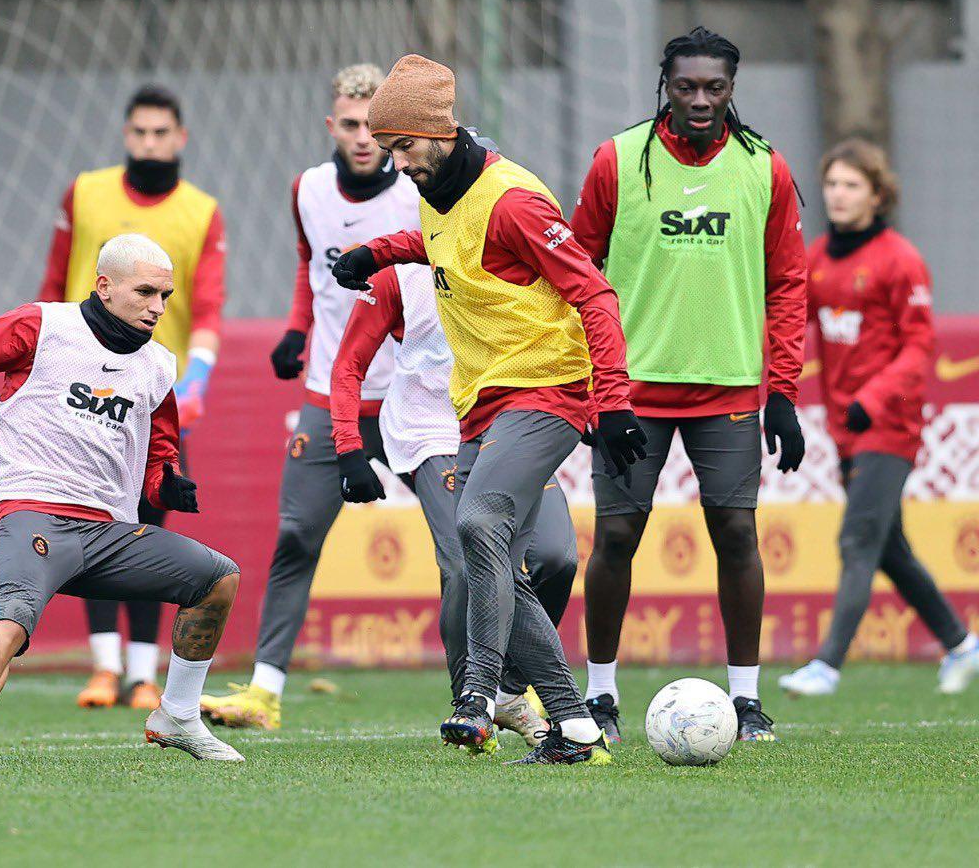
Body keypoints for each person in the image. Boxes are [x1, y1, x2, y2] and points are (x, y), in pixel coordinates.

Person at [331, 54, 646, 766]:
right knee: (499, 557)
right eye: (388, 151)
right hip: (480, 401)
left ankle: (477, 695)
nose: (397, 163)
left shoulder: (515, 199)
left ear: (439, 132)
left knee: (478, 526)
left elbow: (594, 294)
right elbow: (447, 245)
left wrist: (615, 403)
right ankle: (577, 729)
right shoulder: (437, 190)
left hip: (545, 390)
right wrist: (379, 253)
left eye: (404, 147)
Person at [0, 233, 243, 765]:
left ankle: (178, 717)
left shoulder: (160, 364)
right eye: (145, 292)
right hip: (30, 512)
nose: (158, 307)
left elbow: (158, 448)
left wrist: (168, 484)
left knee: (218, 579)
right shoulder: (43, 325)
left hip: (108, 532)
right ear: (104, 286)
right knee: (11, 620)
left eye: (166, 296)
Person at [569, 26, 807, 745]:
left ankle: (747, 702)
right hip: (632, 392)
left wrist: (785, 392)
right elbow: (577, 268)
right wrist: (590, 387)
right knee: (615, 535)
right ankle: (601, 695)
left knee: (737, 534)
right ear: (663, 86)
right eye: (686, 87)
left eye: (715, 87)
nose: (700, 100)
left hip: (730, 390)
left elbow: (789, 283)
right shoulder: (616, 160)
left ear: (733, 88)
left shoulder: (765, 168)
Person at [201, 63, 417, 731]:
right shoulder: (309, 189)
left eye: (372, 127)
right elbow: (308, 261)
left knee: (468, 542)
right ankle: (264, 693)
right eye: (349, 125)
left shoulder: (419, 193)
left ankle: (495, 695)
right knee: (296, 534)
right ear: (332, 124)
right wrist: (298, 329)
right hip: (331, 394)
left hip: (415, 396)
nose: (361, 138)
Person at [330, 252, 579, 746]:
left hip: (510, 428)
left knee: (556, 557)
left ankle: (508, 691)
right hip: (432, 433)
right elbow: (348, 364)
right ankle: (473, 699)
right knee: (468, 564)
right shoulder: (400, 278)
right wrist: (348, 448)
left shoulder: (525, 256)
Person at [780, 140, 979, 698]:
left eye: (852, 185)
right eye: (832, 184)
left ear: (877, 195)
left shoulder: (900, 259)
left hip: (889, 425)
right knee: (889, 548)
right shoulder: (819, 258)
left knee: (857, 541)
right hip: (846, 427)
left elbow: (919, 348)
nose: (839, 194)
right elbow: (786, 325)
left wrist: (873, 399)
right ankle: (963, 644)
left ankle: (826, 666)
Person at [37, 84, 226, 711]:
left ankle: (145, 674)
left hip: (154, 393)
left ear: (181, 139)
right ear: (127, 135)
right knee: (87, 513)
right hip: (81, 383)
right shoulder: (85, 192)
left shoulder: (201, 211)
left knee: (148, 520)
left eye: (160, 133)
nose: (150, 142)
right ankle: (103, 666)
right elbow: (53, 283)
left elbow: (207, 307)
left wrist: (195, 374)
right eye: (140, 132)